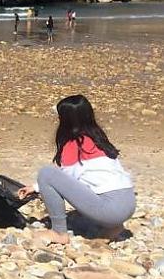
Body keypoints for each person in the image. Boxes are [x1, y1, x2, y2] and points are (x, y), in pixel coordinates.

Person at [19, 95, 135, 244]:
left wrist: (38, 186)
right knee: (94, 184)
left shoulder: (75, 143)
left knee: (46, 173)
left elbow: (64, 179)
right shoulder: (97, 138)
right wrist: (35, 187)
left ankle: (59, 233)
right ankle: (114, 228)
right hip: (128, 203)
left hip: (111, 210)